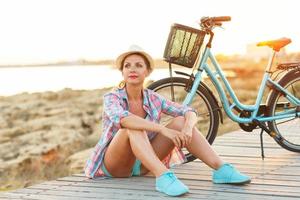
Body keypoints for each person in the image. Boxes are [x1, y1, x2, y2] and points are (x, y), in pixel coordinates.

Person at [85, 45, 251, 197]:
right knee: (131, 127)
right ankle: (163, 176)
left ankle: (220, 168)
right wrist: (163, 129)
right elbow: (122, 119)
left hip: (143, 163)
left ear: (147, 71)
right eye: (127, 66)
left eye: (138, 65)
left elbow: (189, 111)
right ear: (122, 72)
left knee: (179, 121)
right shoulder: (112, 97)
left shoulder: (153, 98)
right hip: (116, 165)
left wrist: (186, 127)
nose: (132, 69)